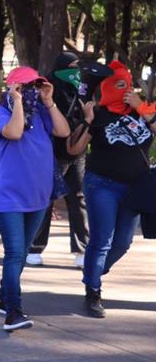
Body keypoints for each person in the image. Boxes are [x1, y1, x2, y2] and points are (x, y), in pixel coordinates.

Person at [67, 60, 156, 317]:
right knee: (102, 240)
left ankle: (93, 272)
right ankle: (93, 291)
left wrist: (141, 107)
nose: (124, 88)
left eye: (127, 83)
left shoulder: (141, 112)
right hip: (102, 184)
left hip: (136, 188)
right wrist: (87, 120)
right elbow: (74, 149)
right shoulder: (99, 114)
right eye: (118, 83)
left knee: (123, 243)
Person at [0, 67, 71, 331]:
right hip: (8, 197)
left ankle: (3, 296)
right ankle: (13, 312)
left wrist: (49, 100)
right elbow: (15, 133)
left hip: (38, 198)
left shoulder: (44, 113)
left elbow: (64, 131)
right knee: (14, 253)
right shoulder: (0, 115)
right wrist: (18, 101)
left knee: (21, 253)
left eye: (35, 86)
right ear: (12, 89)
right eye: (26, 87)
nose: (32, 92)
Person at [27, 52, 112, 267]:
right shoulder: (49, 87)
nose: (76, 69)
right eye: (71, 66)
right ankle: (35, 247)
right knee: (46, 199)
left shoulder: (81, 87)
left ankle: (82, 249)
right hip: (53, 152)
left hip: (77, 150)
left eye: (78, 66)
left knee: (78, 198)